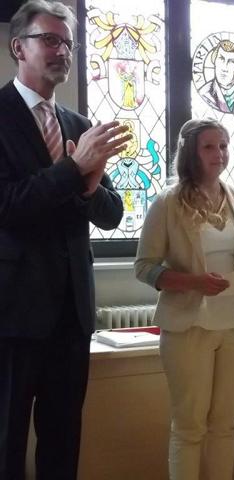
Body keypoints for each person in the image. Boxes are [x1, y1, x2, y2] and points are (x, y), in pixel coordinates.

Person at [0, 1, 130, 478]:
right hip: (12, 314)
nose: (62, 51)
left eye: (69, 44)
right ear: (19, 47)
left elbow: (112, 215)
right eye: (50, 40)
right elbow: (7, 205)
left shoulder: (79, 126)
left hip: (72, 315)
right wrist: (74, 169)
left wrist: (91, 188)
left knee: (62, 442)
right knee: (6, 444)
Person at [135, 118, 234, 480]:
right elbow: (144, 267)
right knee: (190, 426)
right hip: (188, 325)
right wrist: (194, 283)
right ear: (190, 152)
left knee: (226, 423)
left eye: (223, 145)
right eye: (209, 146)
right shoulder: (167, 203)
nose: (219, 153)